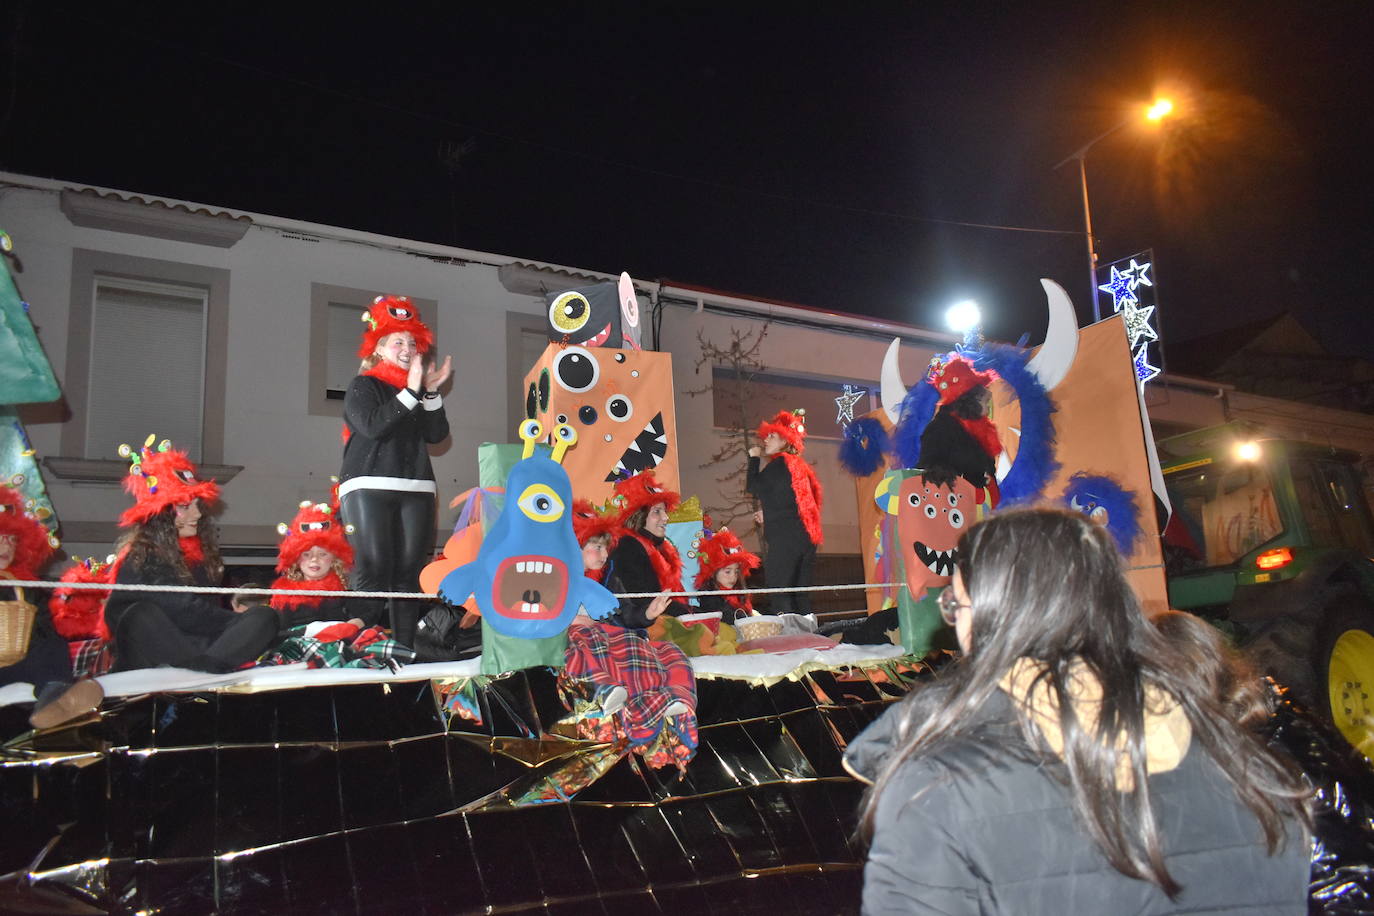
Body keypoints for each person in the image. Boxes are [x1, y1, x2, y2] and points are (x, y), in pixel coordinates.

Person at [846, 508, 1313, 914]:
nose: (953, 624)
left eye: (956, 604)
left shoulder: (937, 786)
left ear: (992, 617)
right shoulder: (1255, 770)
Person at [103, 438, 280, 673]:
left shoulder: (200, 558)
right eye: (185, 507)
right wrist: (237, 623)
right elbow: (185, 612)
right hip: (150, 653)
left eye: (197, 505)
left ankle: (202, 671)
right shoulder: (141, 557)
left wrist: (254, 624)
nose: (197, 514)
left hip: (198, 653)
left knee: (264, 617)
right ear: (160, 516)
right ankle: (201, 672)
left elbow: (203, 620)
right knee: (140, 614)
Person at [339, 294, 451, 650]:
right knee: (372, 570)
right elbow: (373, 426)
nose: (407, 348)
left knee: (409, 575)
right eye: (398, 341)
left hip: (417, 487)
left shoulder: (416, 393)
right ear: (379, 348)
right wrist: (411, 392)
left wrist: (430, 393)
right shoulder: (364, 386)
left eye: (412, 341)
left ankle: (405, 651)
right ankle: (359, 649)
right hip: (368, 484)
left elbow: (437, 435)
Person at [0, 485, 104, 728]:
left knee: (52, 646)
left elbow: (45, 633)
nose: (6, 547)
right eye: (0, 538)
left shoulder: (27, 589)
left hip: (16, 668)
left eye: (12, 540)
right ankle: (59, 703)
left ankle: (56, 703)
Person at [747, 408, 823, 613]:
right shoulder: (800, 467)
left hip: (786, 540)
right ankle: (809, 636)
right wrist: (769, 515)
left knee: (780, 590)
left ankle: (792, 639)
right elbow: (795, 504)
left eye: (772, 435)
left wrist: (754, 458)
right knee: (800, 593)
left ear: (785, 441)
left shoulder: (781, 463)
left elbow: (753, 486)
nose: (766, 440)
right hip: (805, 539)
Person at [604, 472, 690, 628]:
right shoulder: (628, 547)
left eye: (665, 511)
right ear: (638, 516)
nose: (666, 518)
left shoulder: (661, 549)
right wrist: (689, 615)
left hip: (665, 621)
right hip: (645, 627)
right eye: (657, 511)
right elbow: (644, 600)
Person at [268, 497, 360, 629]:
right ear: (297, 559)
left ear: (334, 559)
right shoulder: (284, 597)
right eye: (306, 554)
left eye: (322, 554)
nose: (314, 559)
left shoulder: (347, 597)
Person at [692, 524, 760, 624]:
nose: (733, 576)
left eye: (736, 571)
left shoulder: (739, 595)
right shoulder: (709, 597)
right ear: (712, 572)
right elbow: (727, 618)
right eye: (727, 571)